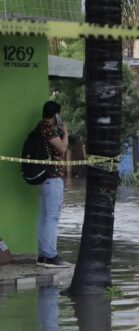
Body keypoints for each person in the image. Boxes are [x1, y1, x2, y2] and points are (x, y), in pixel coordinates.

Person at [36, 101, 68, 268]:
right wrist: (65, 133)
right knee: (52, 217)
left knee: (44, 217)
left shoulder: (40, 127)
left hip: (44, 179)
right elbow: (62, 149)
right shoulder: (47, 128)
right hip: (52, 177)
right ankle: (50, 255)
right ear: (56, 115)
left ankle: (44, 254)